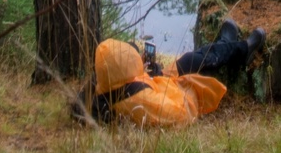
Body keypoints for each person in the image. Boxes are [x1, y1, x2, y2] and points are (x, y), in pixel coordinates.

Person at [73, 20, 266, 128]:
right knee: (201, 64)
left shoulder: (107, 83)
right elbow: (180, 114)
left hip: (159, 81)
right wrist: (186, 87)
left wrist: (150, 74)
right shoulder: (139, 100)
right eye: (133, 61)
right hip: (176, 88)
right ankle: (241, 49)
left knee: (191, 58)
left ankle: (228, 46)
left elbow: (128, 80)